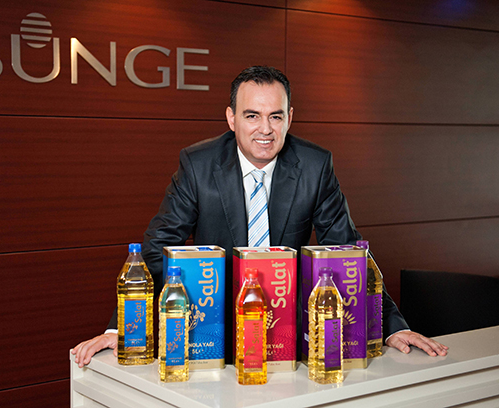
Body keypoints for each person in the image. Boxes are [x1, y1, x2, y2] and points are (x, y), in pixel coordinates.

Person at [72, 66, 448, 367]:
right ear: (231, 118)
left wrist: (390, 326)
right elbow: (158, 250)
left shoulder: (315, 165)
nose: (265, 129)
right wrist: (121, 328)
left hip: (290, 331)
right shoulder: (198, 165)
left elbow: (347, 252)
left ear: (289, 118)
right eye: (252, 115)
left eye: (275, 116)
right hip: (211, 328)